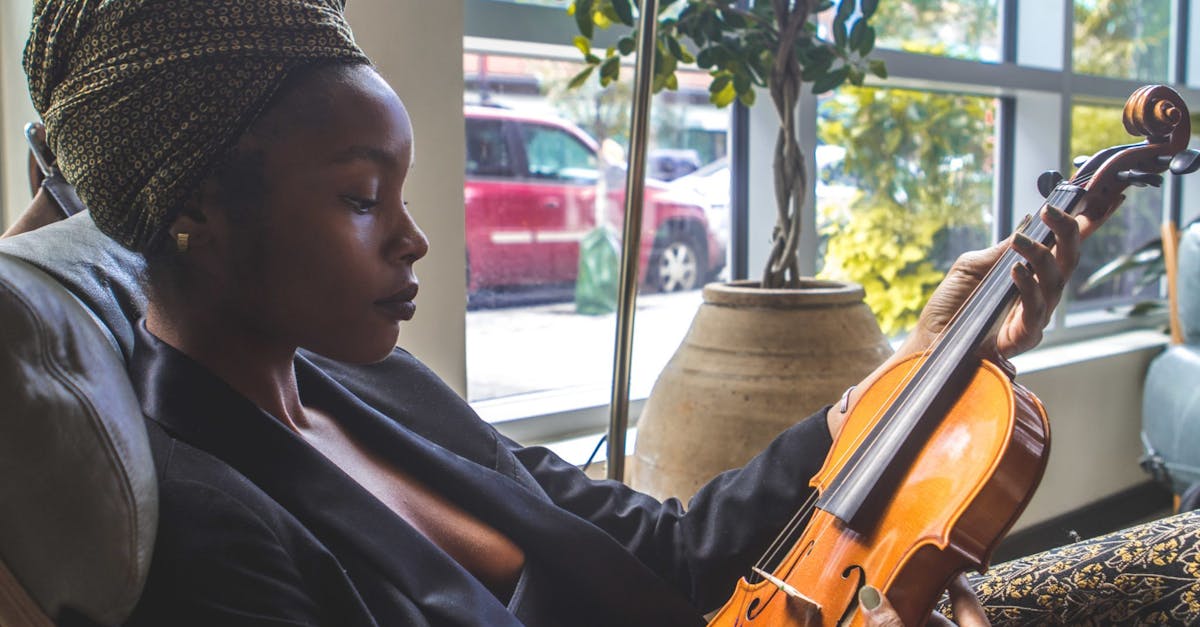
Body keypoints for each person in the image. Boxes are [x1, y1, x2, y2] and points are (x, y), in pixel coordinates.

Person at [15, 0, 1190, 625]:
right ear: (195, 216)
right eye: (361, 200)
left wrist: (913, 371)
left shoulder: (368, 386)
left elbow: (660, 551)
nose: (415, 238)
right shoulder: (212, 541)